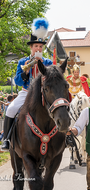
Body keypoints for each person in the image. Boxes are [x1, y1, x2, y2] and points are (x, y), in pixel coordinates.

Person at [1, 18, 52, 151]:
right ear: (31, 47)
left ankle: (63, 136)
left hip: (44, 93)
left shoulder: (48, 62)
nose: (38, 48)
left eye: (40, 46)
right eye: (36, 46)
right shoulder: (22, 62)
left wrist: (42, 65)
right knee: (11, 109)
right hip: (27, 92)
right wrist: (26, 71)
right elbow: (17, 81)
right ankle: (6, 139)